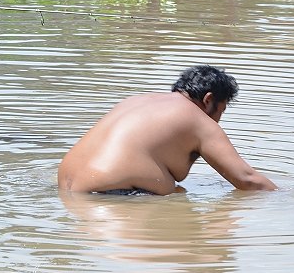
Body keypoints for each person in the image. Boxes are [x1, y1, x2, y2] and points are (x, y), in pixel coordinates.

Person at [57, 65, 277, 195]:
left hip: (66, 191)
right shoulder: (198, 120)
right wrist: (289, 198)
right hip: (116, 198)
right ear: (209, 100)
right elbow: (247, 180)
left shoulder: (136, 101)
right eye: (221, 111)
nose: (217, 121)